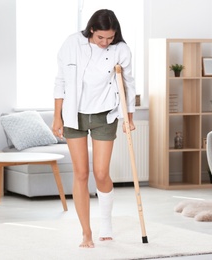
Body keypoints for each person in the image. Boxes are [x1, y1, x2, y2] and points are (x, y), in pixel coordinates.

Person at [52, 9, 136, 248]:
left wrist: (128, 117)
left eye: (110, 38)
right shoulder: (72, 43)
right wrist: (57, 117)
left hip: (105, 114)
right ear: (91, 30)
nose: (105, 42)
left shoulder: (121, 50)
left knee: (100, 173)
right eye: (101, 38)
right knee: (80, 173)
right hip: (74, 115)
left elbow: (128, 83)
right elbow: (60, 81)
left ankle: (106, 223)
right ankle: (86, 232)